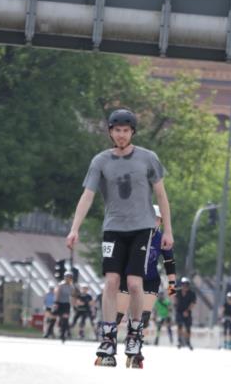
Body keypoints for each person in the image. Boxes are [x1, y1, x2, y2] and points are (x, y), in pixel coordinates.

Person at [66, 108, 173, 367]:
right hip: (113, 227)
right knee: (112, 281)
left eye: (126, 130)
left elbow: (161, 196)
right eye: (117, 130)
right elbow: (87, 196)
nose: (121, 135)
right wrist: (74, 227)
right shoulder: (100, 161)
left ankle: (135, 333)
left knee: (135, 284)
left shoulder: (148, 158)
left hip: (143, 228)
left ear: (132, 132)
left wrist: (167, 230)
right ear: (110, 133)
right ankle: (108, 337)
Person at [115, 204, 176, 362]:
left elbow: (169, 262)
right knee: (117, 315)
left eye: (157, 219)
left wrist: (172, 287)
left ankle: (135, 348)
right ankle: (110, 343)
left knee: (143, 317)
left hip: (150, 280)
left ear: (161, 222)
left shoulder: (162, 238)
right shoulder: (134, 234)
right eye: (151, 218)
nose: (153, 222)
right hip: (129, 276)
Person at [175, 276, 196, 350]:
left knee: (188, 328)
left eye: (187, 284)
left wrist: (187, 311)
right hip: (179, 311)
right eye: (183, 284)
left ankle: (188, 342)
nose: (185, 286)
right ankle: (179, 341)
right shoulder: (177, 291)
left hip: (187, 312)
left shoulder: (192, 293)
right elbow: (172, 296)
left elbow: (193, 303)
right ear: (181, 284)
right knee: (179, 326)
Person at [54, 271, 74, 343]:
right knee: (60, 319)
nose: (68, 279)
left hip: (66, 304)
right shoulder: (61, 285)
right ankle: (62, 332)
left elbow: (72, 296)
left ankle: (63, 335)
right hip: (59, 303)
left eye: (69, 277)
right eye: (67, 277)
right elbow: (57, 294)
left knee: (65, 319)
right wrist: (56, 303)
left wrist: (73, 304)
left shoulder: (71, 286)